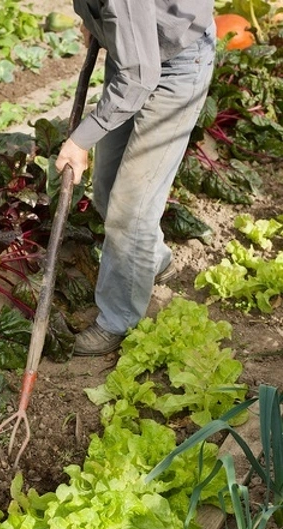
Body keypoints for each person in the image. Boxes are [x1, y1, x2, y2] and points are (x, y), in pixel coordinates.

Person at [55, 0, 216, 356]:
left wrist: (81, 140)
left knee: (131, 211)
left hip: (175, 66)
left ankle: (118, 319)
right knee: (106, 191)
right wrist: (96, 24)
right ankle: (154, 261)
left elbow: (140, 77)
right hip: (134, 58)